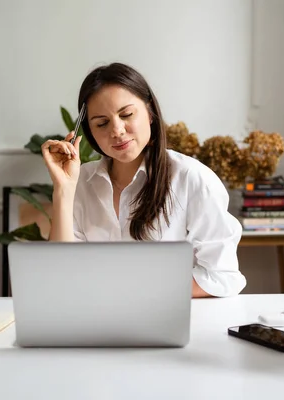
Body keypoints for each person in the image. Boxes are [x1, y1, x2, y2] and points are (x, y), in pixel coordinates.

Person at [41, 62, 246, 298]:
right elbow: (61, 273)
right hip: (94, 321)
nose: (116, 130)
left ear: (150, 113)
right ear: (88, 131)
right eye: (101, 123)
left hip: (165, 320)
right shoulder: (82, 180)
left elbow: (222, 276)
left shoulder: (191, 178)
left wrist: (133, 290)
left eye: (126, 114)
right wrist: (64, 189)